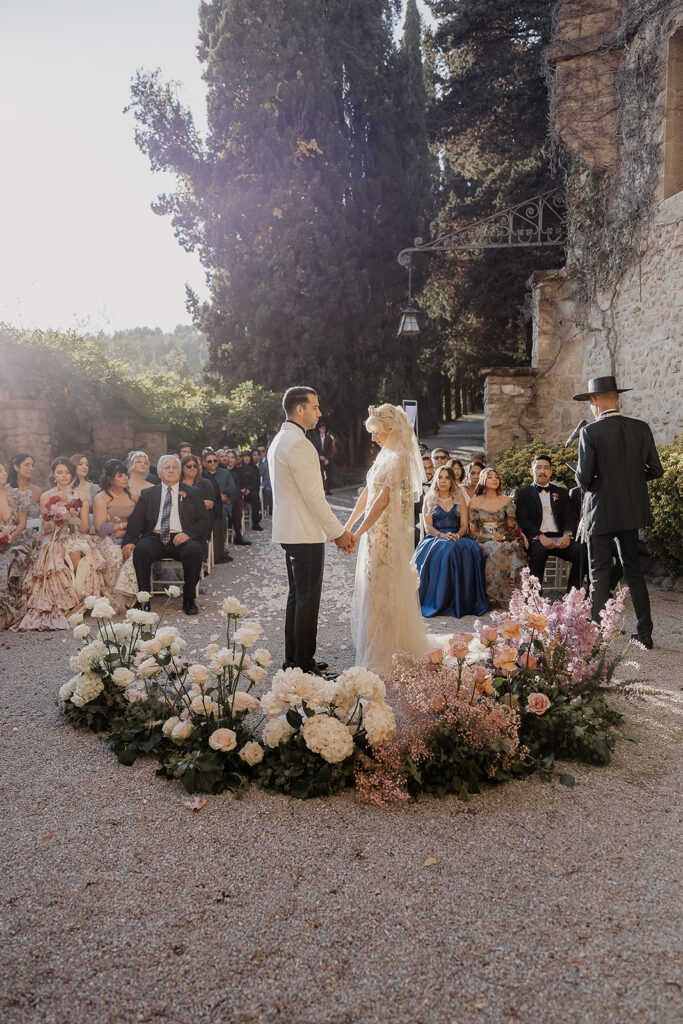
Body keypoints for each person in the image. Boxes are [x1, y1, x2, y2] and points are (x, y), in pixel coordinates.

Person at [269, 386, 354, 675]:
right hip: (303, 532)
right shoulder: (299, 444)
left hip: (290, 530)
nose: (319, 413)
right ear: (300, 408)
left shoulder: (281, 440)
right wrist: (338, 533)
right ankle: (303, 665)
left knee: (298, 597)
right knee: (306, 599)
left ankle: (294, 659)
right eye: (315, 407)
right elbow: (313, 496)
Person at [573, 375, 663, 648]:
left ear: (594, 401)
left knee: (599, 571)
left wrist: (597, 480)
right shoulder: (641, 427)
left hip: (601, 510)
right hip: (631, 511)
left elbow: (583, 480)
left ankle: (596, 635)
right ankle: (645, 634)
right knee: (633, 570)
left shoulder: (590, 432)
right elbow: (655, 470)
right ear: (618, 398)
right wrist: (629, 482)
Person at [346, 403, 432, 676]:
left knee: (383, 587)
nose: (373, 438)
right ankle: (372, 639)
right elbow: (368, 494)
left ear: (390, 429)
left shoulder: (400, 459)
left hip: (386, 535)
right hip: (373, 532)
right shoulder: (384, 455)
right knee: (373, 586)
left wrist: (358, 533)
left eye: (376, 432)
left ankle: (387, 647)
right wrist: (347, 525)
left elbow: (383, 501)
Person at [15, 457, 107, 630]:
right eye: (60, 472)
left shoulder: (81, 497)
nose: (64, 476)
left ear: (72, 475)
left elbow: (85, 527)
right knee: (56, 552)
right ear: (54, 475)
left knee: (82, 555)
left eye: (67, 472)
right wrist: (56, 517)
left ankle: (79, 600)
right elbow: (47, 527)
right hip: (53, 535)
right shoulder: (46, 496)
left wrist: (70, 518)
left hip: (75, 534)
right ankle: (61, 601)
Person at [122, 455, 209, 616]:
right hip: (155, 537)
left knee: (194, 551)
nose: (171, 471)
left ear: (180, 471)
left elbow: (205, 521)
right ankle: (144, 600)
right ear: (159, 473)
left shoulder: (193, 493)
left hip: (181, 537)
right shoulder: (148, 493)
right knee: (140, 550)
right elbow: (136, 520)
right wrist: (129, 541)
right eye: (166, 468)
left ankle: (189, 599)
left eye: (174, 467)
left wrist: (188, 534)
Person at [413, 466, 488, 618]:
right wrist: (441, 535)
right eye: (440, 477)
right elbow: (429, 527)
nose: (443, 481)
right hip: (436, 537)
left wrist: (457, 536)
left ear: (452, 481)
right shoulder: (430, 498)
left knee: (466, 549)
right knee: (446, 549)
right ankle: (439, 599)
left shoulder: (459, 498)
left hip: (458, 536)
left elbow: (464, 525)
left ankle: (462, 601)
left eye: (447, 478)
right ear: (436, 479)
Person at [514, 454, 582, 592]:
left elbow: (569, 517)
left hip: (559, 537)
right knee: (539, 552)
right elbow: (523, 520)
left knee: (581, 552)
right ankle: (536, 598)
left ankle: (573, 595)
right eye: (538, 468)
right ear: (531, 471)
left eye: (546, 468)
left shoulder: (561, 493)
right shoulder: (522, 493)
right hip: (537, 538)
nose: (542, 471)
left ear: (551, 472)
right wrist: (540, 536)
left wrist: (567, 535)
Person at [468, 467, 527, 608]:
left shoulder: (506, 501)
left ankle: (510, 594)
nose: (494, 479)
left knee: (512, 547)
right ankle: (493, 594)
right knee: (493, 550)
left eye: (496, 477)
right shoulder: (474, 502)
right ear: (483, 480)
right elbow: (472, 532)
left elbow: (511, 527)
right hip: (482, 538)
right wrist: (489, 536)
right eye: (490, 477)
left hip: (503, 537)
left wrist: (504, 535)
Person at [93, 460, 139, 606]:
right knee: (116, 555)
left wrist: (126, 530)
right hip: (108, 538)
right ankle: (117, 597)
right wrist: (125, 525)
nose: (125, 478)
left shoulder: (134, 496)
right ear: (109, 478)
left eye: (126, 474)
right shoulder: (101, 498)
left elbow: (142, 521)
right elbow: (101, 528)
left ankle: (133, 596)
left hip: (132, 535)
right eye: (120, 475)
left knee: (135, 554)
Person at [222, 450, 250, 546]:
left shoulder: (237, 473)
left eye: (232, 457)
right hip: (222, 497)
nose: (229, 459)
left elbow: (238, 489)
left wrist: (231, 500)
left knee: (236, 504)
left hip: (234, 498)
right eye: (227, 457)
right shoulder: (220, 471)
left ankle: (238, 534)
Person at [8, 453, 42, 519]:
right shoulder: (6, 491)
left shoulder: (38, 491)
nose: (31, 468)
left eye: (32, 465)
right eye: (27, 465)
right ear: (16, 467)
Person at [235, 450, 263, 530]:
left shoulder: (251, 468)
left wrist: (248, 489)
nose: (239, 458)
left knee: (255, 497)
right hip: (237, 492)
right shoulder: (233, 469)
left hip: (248, 492)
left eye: (240, 456)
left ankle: (255, 523)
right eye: (238, 456)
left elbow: (255, 482)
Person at [309, 421, 336, 493]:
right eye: (321, 428)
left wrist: (327, 458)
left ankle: (327, 489)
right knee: (320, 475)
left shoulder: (329, 438)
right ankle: (321, 490)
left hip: (327, 459)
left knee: (328, 475)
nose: (322, 430)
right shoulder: (316, 438)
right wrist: (319, 456)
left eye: (324, 428)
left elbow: (330, 449)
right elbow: (315, 449)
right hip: (319, 459)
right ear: (319, 429)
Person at [258, 447, 273, 516]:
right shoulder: (252, 461)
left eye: (263, 451)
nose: (261, 453)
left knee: (268, 490)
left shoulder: (268, 461)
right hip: (255, 483)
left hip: (266, 482)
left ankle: (265, 508)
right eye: (259, 451)